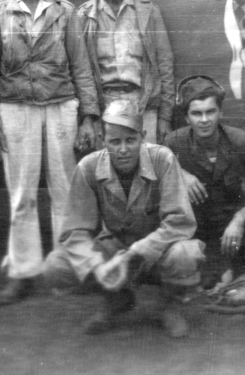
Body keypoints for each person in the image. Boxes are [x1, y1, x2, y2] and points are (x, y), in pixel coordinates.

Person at [0, 0, 99, 305]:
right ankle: (24, 272)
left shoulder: (64, 11)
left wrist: (89, 116)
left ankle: (69, 268)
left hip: (61, 107)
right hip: (15, 109)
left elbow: (81, 67)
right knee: (21, 196)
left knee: (66, 191)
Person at [52, 100, 205, 338]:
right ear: (103, 139)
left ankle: (168, 306)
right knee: (58, 265)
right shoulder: (88, 167)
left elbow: (180, 221)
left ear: (143, 136)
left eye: (130, 140)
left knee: (186, 254)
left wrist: (135, 252)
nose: (123, 149)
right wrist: (96, 265)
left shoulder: (162, 159)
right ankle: (115, 299)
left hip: (157, 251)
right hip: (114, 249)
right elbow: (75, 231)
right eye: (115, 141)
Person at [164, 75, 245, 286]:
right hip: (196, 228)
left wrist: (239, 220)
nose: (204, 120)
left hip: (235, 226)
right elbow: (151, 172)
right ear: (186, 117)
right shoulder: (172, 143)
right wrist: (181, 175)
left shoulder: (243, 142)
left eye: (210, 112)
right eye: (196, 113)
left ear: (221, 112)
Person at [78, 0, 175, 145]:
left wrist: (165, 117)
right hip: (104, 106)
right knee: (107, 166)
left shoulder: (148, 12)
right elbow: (81, 71)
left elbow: (165, 65)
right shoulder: (85, 15)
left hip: (143, 104)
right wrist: (88, 117)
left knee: (146, 166)